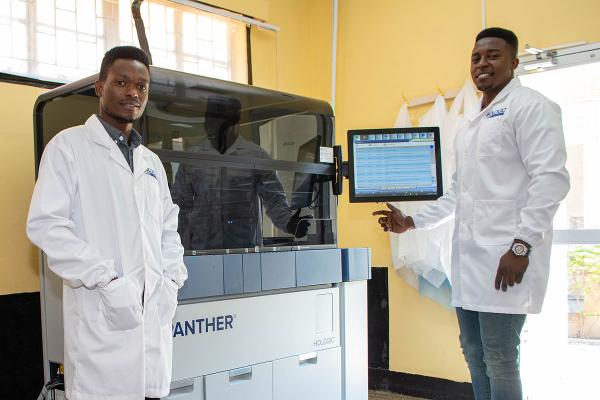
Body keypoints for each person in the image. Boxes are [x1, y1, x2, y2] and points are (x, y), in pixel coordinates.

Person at [374, 27, 569, 400]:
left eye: (493, 55)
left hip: (505, 258)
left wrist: (520, 246)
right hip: (468, 261)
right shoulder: (470, 126)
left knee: (499, 356)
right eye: (476, 57)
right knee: (474, 353)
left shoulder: (531, 107)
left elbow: (551, 180)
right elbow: (457, 196)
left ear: (513, 62)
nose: (483, 63)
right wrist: (412, 222)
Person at [27, 46, 187, 400]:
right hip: (101, 321)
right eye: (121, 82)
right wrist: (109, 279)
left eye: (142, 86)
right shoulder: (67, 148)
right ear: (100, 87)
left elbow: (167, 227)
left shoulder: (151, 162)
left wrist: (172, 277)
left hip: (151, 324)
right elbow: (46, 226)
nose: (133, 92)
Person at [171, 95, 312, 250]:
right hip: (201, 250)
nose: (211, 125)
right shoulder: (193, 158)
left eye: (218, 120)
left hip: (244, 251)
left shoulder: (255, 157)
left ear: (234, 121)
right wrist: (175, 246)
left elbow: (274, 200)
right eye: (208, 118)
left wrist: (289, 223)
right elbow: (179, 206)